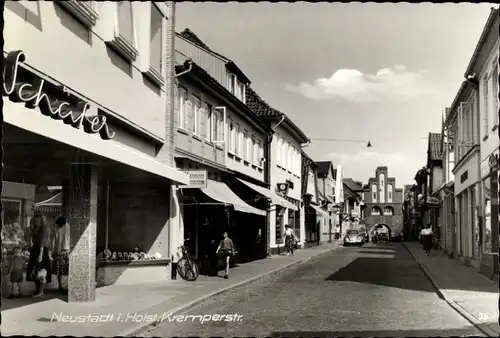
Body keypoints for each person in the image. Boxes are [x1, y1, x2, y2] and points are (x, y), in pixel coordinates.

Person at [26, 211, 52, 298]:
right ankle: (38, 290)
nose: (34, 221)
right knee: (35, 271)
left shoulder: (44, 228)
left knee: (40, 271)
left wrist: (40, 255)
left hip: (41, 250)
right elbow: (35, 238)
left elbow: (42, 242)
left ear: (40, 219)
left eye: (35, 220)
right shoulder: (39, 228)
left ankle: (40, 291)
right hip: (36, 249)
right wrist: (32, 230)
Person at [52, 216, 70, 293]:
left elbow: (53, 242)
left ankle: (60, 286)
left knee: (59, 271)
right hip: (66, 252)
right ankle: (67, 285)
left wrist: (52, 252)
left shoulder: (56, 230)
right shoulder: (68, 228)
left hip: (59, 252)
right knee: (67, 270)